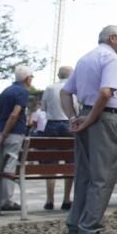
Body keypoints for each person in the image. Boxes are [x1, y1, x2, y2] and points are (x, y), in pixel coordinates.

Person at [61, 25, 117, 234]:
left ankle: (74, 229)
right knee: (102, 177)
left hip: (87, 116)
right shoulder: (109, 58)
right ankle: (89, 230)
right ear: (112, 39)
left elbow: (65, 92)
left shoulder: (84, 59)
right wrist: (92, 117)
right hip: (105, 119)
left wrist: (74, 118)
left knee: (84, 175)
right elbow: (106, 92)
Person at [0, 65, 33, 212]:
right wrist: (6, 133)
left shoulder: (5, 92)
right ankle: (6, 200)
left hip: (0, 130)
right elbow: (15, 114)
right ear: (27, 78)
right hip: (13, 132)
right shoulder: (23, 92)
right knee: (10, 164)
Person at [41, 66, 74, 210]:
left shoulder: (49, 88)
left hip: (52, 123)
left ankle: (50, 199)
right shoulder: (73, 88)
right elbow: (77, 109)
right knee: (69, 162)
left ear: (58, 75)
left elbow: (43, 107)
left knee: (51, 163)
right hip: (68, 124)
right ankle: (66, 199)